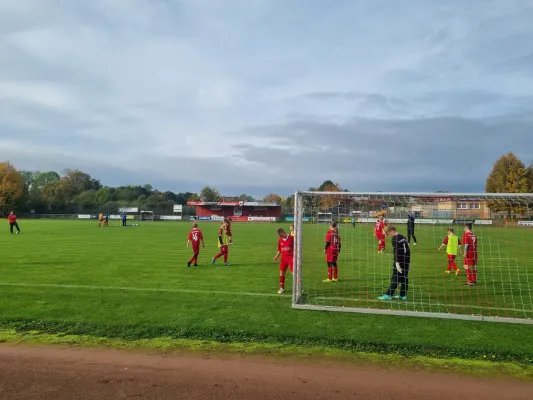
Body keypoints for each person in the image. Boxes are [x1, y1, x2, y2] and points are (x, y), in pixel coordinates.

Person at [378, 225, 411, 301]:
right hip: (406, 261)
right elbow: (408, 250)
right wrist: (409, 262)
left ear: (392, 231)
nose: (389, 236)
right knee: (404, 278)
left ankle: (388, 295)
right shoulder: (404, 237)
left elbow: (397, 252)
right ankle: (403, 295)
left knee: (395, 278)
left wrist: (397, 263)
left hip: (399, 261)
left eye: (389, 234)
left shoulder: (395, 239)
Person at [273, 228, 294, 294]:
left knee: (294, 273)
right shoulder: (280, 240)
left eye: (281, 235)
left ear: (284, 232)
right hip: (284, 258)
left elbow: (297, 248)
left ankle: (299, 288)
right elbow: (279, 250)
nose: (280, 236)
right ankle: (282, 288)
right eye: (279, 236)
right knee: (282, 272)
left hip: (292, 258)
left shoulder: (292, 238)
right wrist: (276, 256)